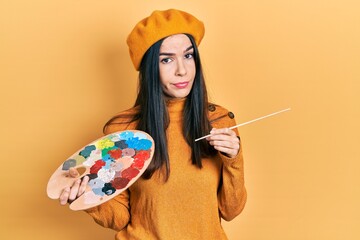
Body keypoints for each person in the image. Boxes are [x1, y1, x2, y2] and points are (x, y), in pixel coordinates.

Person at [59, 9, 247, 240]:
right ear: (149, 68)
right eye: (167, 59)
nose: (182, 70)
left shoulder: (218, 120)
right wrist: (88, 199)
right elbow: (121, 218)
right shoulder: (124, 129)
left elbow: (230, 210)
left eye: (188, 56)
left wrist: (234, 159)